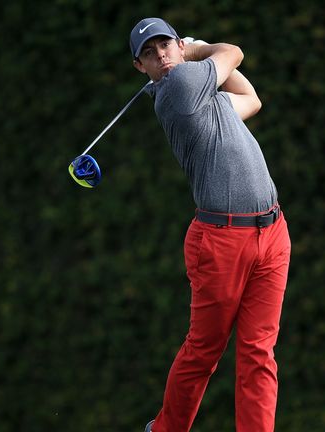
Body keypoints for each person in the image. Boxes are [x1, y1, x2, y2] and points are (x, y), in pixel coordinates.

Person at [129, 17, 291, 432]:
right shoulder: (177, 92)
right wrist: (197, 48)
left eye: (165, 45)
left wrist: (193, 53)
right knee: (205, 350)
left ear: (174, 47)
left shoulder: (208, 100)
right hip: (221, 240)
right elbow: (233, 52)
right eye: (149, 53)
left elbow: (250, 98)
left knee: (260, 352)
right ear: (140, 68)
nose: (161, 56)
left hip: (272, 233)